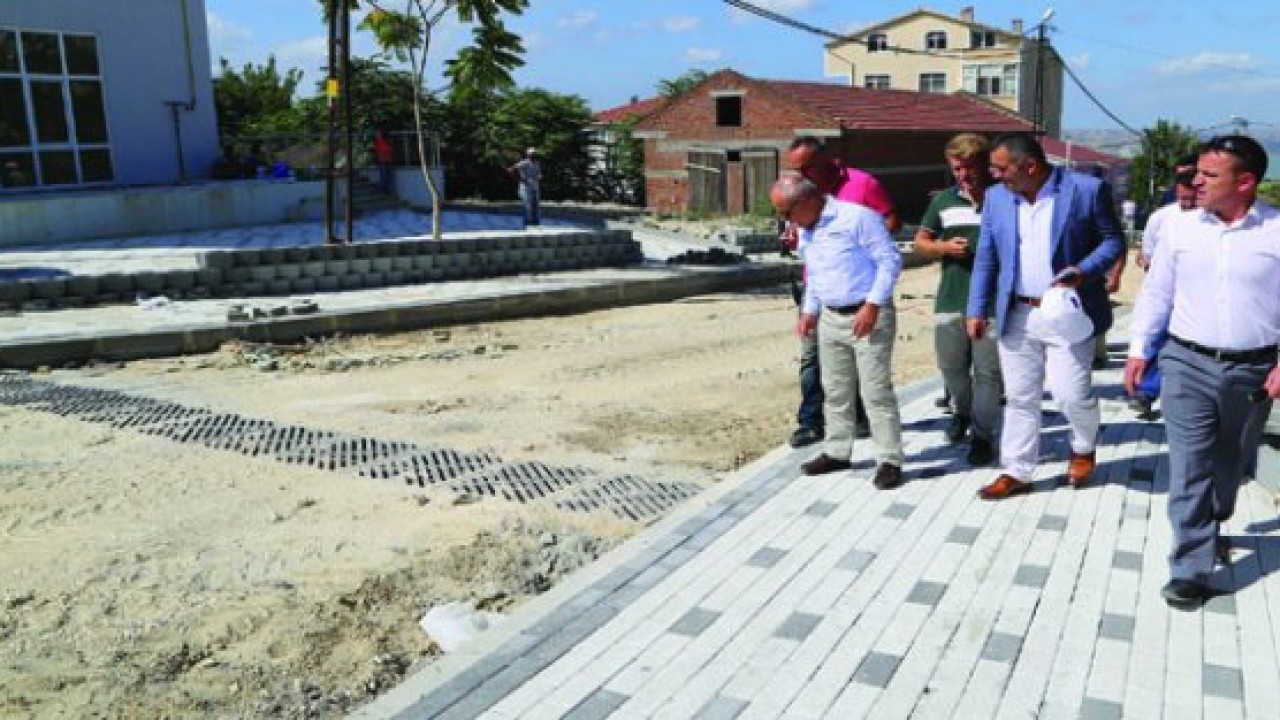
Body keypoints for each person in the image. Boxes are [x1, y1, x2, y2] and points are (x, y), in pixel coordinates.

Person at [1124, 134, 1280, 610]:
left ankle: (1215, 516)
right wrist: (1138, 349)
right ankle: (1190, 568)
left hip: (1253, 370)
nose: (1196, 182)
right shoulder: (1180, 229)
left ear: (1245, 182)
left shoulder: (1275, 231)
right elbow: (1157, 293)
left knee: (1231, 461)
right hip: (1185, 361)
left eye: (1210, 175)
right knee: (1190, 464)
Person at [967, 132, 1125, 500]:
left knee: (1069, 394)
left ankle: (1083, 446)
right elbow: (987, 257)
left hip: (1067, 311)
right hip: (1017, 313)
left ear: (1029, 166)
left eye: (1001, 168)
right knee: (1020, 398)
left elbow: (1113, 241)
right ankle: (1017, 470)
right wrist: (976, 307)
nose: (994, 175)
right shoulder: (997, 198)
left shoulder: (1086, 190)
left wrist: (1084, 271)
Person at [770, 173, 905, 489]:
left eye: (787, 211)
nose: (786, 220)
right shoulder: (807, 230)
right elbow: (815, 273)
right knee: (835, 389)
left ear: (806, 200)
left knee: (875, 391)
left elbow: (890, 261)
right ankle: (837, 450)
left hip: (867, 314)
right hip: (831, 317)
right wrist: (809, 311)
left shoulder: (857, 218)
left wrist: (873, 304)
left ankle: (889, 459)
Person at [783, 136, 900, 447]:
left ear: (826, 160)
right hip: (820, 290)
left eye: (806, 168)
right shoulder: (797, 195)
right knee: (814, 361)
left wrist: (854, 247)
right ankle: (812, 422)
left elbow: (891, 222)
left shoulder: (862, 185)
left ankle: (875, 436)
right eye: (795, 170)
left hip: (861, 293)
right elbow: (808, 249)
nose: (801, 176)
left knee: (870, 376)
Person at [912, 133, 1002, 466]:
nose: (963, 175)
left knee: (988, 372)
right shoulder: (944, 202)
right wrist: (944, 248)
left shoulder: (1004, 198)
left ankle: (982, 435)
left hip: (992, 302)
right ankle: (962, 412)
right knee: (951, 367)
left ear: (985, 165)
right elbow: (921, 243)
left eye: (969, 168)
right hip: (951, 298)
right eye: (957, 169)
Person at [1127, 168, 1198, 415]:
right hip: (1165, 292)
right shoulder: (1162, 218)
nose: (1186, 204)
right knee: (1157, 340)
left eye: (1192, 200)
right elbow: (1147, 254)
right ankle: (1146, 392)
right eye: (1182, 199)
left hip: (1196, 299)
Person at [507, 147, 542, 227]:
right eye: (532, 154)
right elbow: (512, 169)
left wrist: (539, 176)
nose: (533, 155)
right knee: (527, 205)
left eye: (534, 153)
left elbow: (539, 173)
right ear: (528, 154)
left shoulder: (536, 163)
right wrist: (521, 178)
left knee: (535, 205)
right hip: (526, 188)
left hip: (535, 187)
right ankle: (527, 222)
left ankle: (535, 222)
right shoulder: (524, 162)